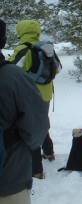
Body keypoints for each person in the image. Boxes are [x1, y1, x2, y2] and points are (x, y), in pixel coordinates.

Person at [0, 19, 49, 204]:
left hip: (24, 95)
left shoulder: (21, 49)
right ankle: (39, 167)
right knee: (33, 130)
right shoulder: (44, 48)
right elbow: (36, 133)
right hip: (9, 180)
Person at [8, 20, 60, 179]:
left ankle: (36, 170)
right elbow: (57, 69)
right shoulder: (46, 47)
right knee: (41, 123)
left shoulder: (22, 49)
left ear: (21, 31)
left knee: (30, 130)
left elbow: (10, 70)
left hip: (29, 96)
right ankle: (49, 152)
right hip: (46, 94)